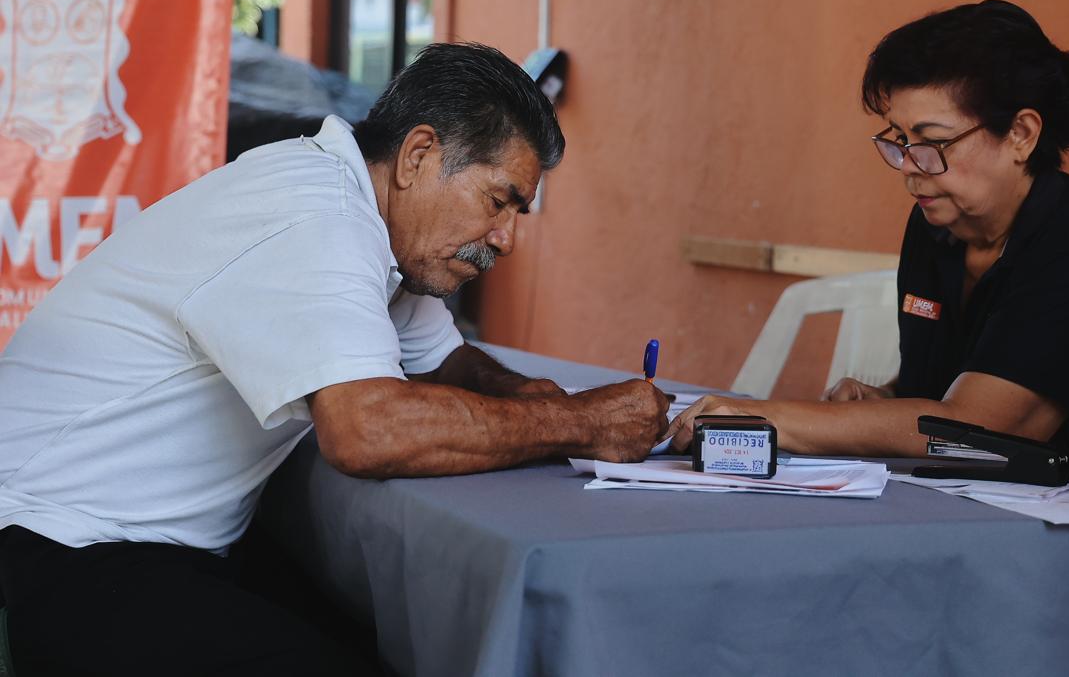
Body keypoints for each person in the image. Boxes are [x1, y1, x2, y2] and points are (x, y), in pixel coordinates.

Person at [0, 42, 669, 675]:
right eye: (499, 201)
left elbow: (449, 365)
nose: (506, 238)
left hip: (149, 540)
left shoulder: (375, 225)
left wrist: (550, 401)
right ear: (418, 156)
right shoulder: (318, 216)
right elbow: (366, 430)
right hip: (54, 541)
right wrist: (578, 423)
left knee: (385, 644)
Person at [668, 0, 1069, 496]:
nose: (911, 166)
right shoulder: (938, 224)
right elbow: (949, 389)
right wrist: (884, 400)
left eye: (932, 142)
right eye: (900, 140)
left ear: (1021, 134)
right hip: (964, 505)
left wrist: (771, 417)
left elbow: (975, 431)